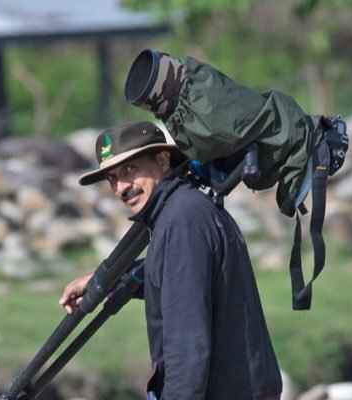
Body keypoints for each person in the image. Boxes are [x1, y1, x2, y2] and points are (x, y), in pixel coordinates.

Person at [59, 120, 283, 400]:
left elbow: (187, 348)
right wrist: (106, 280)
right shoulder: (187, 209)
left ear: (163, 161)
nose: (120, 188)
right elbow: (178, 276)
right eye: (112, 178)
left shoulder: (179, 223)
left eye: (130, 170)